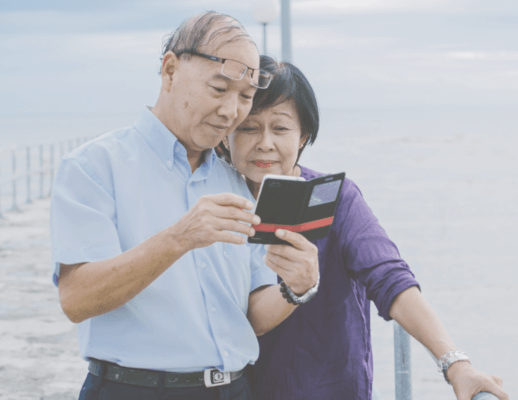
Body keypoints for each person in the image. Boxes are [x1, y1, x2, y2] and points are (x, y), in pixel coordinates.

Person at [49, 13, 319, 400]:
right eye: (219, 88)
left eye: (244, 97)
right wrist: (179, 237)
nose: (231, 111)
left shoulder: (233, 179)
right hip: (133, 390)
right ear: (170, 70)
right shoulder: (93, 166)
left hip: (234, 389)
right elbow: (76, 300)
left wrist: (298, 287)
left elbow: (252, 317)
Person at [219, 56, 511, 400]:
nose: (265, 142)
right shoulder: (212, 201)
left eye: (281, 128)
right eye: (249, 128)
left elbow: (389, 276)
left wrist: (456, 364)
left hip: (328, 389)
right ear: (226, 134)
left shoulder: (334, 197)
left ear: (303, 136)